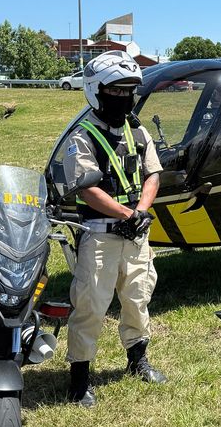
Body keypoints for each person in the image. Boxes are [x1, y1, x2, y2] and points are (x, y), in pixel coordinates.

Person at [60, 50, 166, 407]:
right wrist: (126, 213)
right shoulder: (82, 137)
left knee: (138, 299)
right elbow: (86, 189)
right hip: (100, 236)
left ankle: (138, 360)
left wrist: (141, 211)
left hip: (136, 233)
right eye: (115, 90)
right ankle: (79, 378)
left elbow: (153, 173)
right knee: (90, 305)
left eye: (128, 91)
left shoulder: (137, 130)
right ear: (96, 90)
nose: (123, 97)